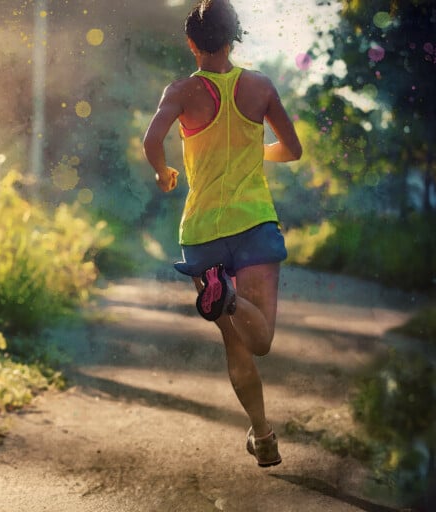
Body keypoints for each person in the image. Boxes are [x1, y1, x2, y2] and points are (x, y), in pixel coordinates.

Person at [143, 0, 302, 467]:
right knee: (262, 339)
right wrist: (256, 150)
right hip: (253, 224)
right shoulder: (260, 87)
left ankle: (263, 434)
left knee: (235, 343)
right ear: (234, 37)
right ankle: (229, 298)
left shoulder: (181, 91)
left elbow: (153, 141)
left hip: (202, 232)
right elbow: (292, 150)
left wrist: (163, 172)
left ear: (192, 44)